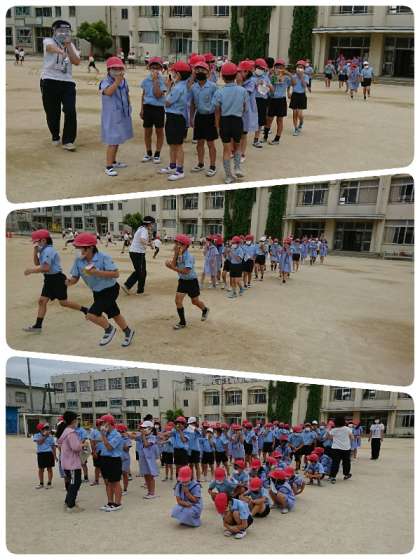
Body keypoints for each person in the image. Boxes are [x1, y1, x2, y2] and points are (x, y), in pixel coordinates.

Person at [67, 232, 135, 347]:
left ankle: (109, 329)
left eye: (79, 247)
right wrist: (67, 282)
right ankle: (128, 332)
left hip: (110, 290)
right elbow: (75, 278)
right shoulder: (78, 261)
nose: (77, 250)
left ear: (90, 248)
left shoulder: (103, 257)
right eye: (76, 247)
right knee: (114, 313)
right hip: (97, 292)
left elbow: (116, 274)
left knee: (91, 315)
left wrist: (96, 272)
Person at [23, 229, 87, 333]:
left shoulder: (48, 251)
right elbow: (37, 263)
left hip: (57, 279)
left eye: (37, 242)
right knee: (42, 301)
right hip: (49, 279)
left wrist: (31, 271)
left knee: (64, 303)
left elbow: (46, 268)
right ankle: (38, 326)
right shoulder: (43, 250)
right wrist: (35, 251)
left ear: (43, 240)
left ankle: (85, 310)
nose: (36, 244)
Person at [40, 20, 80, 150]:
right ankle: (55, 135)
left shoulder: (71, 45)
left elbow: (76, 61)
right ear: (54, 31)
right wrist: (61, 51)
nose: (64, 34)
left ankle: (68, 140)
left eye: (67, 31)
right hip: (49, 80)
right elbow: (49, 48)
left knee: (70, 110)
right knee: (52, 112)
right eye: (61, 31)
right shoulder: (48, 41)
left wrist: (68, 46)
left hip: (67, 82)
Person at [165, 233, 209, 329]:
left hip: (192, 281)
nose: (176, 245)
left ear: (185, 245)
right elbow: (174, 264)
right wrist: (175, 255)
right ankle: (182, 322)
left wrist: (171, 267)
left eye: (178, 243)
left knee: (195, 301)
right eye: (176, 243)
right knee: (178, 301)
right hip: (182, 281)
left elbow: (186, 271)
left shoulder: (189, 256)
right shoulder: (178, 254)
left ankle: (205, 309)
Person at [213, 62, 248, 184]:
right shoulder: (243, 91)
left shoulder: (219, 92)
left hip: (225, 121)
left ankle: (228, 176)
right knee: (237, 146)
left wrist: (217, 126)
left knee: (226, 149)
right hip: (237, 120)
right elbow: (245, 108)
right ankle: (237, 168)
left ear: (222, 76)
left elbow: (217, 111)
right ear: (235, 75)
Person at [100, 56, 133, 177]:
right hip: (111, 116)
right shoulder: (105, 82)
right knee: (113, 141)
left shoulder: (124, 81)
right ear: (108, 70)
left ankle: (113, 161)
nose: (117, 71)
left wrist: (129, 107)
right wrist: (117, 82)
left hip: (122, 114)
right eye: (114, 69)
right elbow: (108, 92)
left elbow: (127, 93)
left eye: (120, 68)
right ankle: (108, 166)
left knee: (118, 139)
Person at [159, 60, 192, 181]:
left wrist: (167, 89)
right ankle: (172, 166)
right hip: (174, 117)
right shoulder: (181, 86)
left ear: (178, 74)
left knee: (177, 145)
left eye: (173, 72)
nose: (171, 74)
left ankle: (180, 170)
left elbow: (167, 102)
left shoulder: (178, 88)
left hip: (176, 118)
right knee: (172, 144)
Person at [189, 61, 218, 176]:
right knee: (199, 143)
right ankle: (200, 164)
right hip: (199, 116)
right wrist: (191, 117)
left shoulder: (213, 87)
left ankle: (212, 166)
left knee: (210, 143)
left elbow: (217, 105)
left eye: (202, 70)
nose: (200, 72)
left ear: (208, 72)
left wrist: (217, 121)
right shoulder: (193, 87)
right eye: (197, 70)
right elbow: (192, 103)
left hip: (210, 117)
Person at [56, 412, 84, 512]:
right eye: (76, 419)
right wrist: (83, 445)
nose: (77, 421)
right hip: (72, 464)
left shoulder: (65, 431)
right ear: (73, 420)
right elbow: (75, 447)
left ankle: (68, 501)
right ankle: (71, 505)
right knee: (74, 483)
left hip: (67, 462)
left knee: (73, 483)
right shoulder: (71, 433)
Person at [140, 57, 167, 164]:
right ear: (149, 68)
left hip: (158, 108)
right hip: (147, 107)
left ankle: (157, 153)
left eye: (157, 67)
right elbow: (143, 95)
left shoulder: (163, 80)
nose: (155, 69)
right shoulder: (146, 80)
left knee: (159, 131)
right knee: (147, 131)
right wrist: (142, 109)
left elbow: (158, 95)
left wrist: (155, 80)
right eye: (153, 67)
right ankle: (148, 152)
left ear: (161, 68)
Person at [122, 216, 154, 295]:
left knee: (142, 271)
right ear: (149, 223)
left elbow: (143, 239)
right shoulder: (144, 230)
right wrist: (149, 244)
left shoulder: (141, 228)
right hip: (137, 253)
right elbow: (142, 240)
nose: (152, 225)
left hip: (137, 252)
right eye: (152, 223)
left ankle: (139, 290)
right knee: (140, 272)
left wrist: (149, 241)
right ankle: (128, 286)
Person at [97, 414, 124, 511]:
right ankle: (110, 502)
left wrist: (103, 435)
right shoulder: (106, 434)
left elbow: (109, 447)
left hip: (114, 460)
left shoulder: (117, 435)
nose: (101, 425)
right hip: (104, 459)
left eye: (103, 423)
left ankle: (117, 503)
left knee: (115, 482)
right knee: (107, 482)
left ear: (108, 423)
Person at [264, 59, 291, 145]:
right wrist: (269, 73)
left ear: (284, 67)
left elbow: (294, 82)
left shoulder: (286, 77)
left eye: (281, 67)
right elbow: (265, 81)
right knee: (269, 119)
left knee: (279, 120)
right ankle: (265, 137)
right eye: (277, 66)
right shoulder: (271, 76)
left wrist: (288, 73)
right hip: (272, 99)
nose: (279, 68)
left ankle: (277, 139)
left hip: (281, 100)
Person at [237, 59, 258, 161]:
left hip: (247, 112)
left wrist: (240, 83)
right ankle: (235, 151)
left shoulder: (252, 81)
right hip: (238, 111)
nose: (238, 74)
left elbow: (244, 94)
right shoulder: (240, 81)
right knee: (237, 133)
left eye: (240, 71)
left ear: (247, 72)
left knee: (243, 134)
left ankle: (242, 154)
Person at [137, 420, 159, 499]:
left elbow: (146, 444)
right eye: (142, 428)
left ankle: (152, 493)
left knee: (150, 476)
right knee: (146, 475)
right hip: (143, 460)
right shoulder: (142, 436)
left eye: (144, 428)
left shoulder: (153, 437)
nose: (143, 429)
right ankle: (149, 492)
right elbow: (133, 436)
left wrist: (142, 435)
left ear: (150, 429)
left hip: (150, 460)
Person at [328, 416, 354, 484]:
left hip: (335, 448)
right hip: (346, 448)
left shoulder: (334, 430)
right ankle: (346, 474)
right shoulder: (347, 429)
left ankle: (333, 477)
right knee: (346, 462)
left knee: (335, 463)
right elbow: (352, 438)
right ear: (343, 422)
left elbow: (330, 438)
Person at [253, 58, 272, 147]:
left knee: (260, 121)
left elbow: (272, 90)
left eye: (262, 69)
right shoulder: (250, 76)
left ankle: (256, 139)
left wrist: (269, 86)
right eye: (259, 68)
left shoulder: (265, 77)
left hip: (262, 100)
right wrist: (256, 83)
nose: (261, 70)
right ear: (255, 67)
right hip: (252, 100)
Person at [32, 422, 56, 490]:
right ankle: (41, 483)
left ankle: (49, 483)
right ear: (40, 429)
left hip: (49, 453)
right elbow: (39, 442)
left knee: (49, 469)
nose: (46, 429)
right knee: (41, 469)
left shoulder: (51, 437)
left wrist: (55, 456)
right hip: (41, 453)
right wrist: (45, 436)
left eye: (47, 428)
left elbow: (53, 446)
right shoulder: (37, 435)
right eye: (44, 428)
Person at [289, 60, 309, 136]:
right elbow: (292, 85)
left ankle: (301, 122)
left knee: (300, 114)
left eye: (301, 67)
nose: (299, 69)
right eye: (298, 67)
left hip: (302, 95)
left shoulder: (306, 76)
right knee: (295, 113)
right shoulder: (293, 76)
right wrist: (289, 92)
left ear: (304, 69)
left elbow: (304, 86)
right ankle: (295, 128)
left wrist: (301, 77)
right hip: (294, 95)